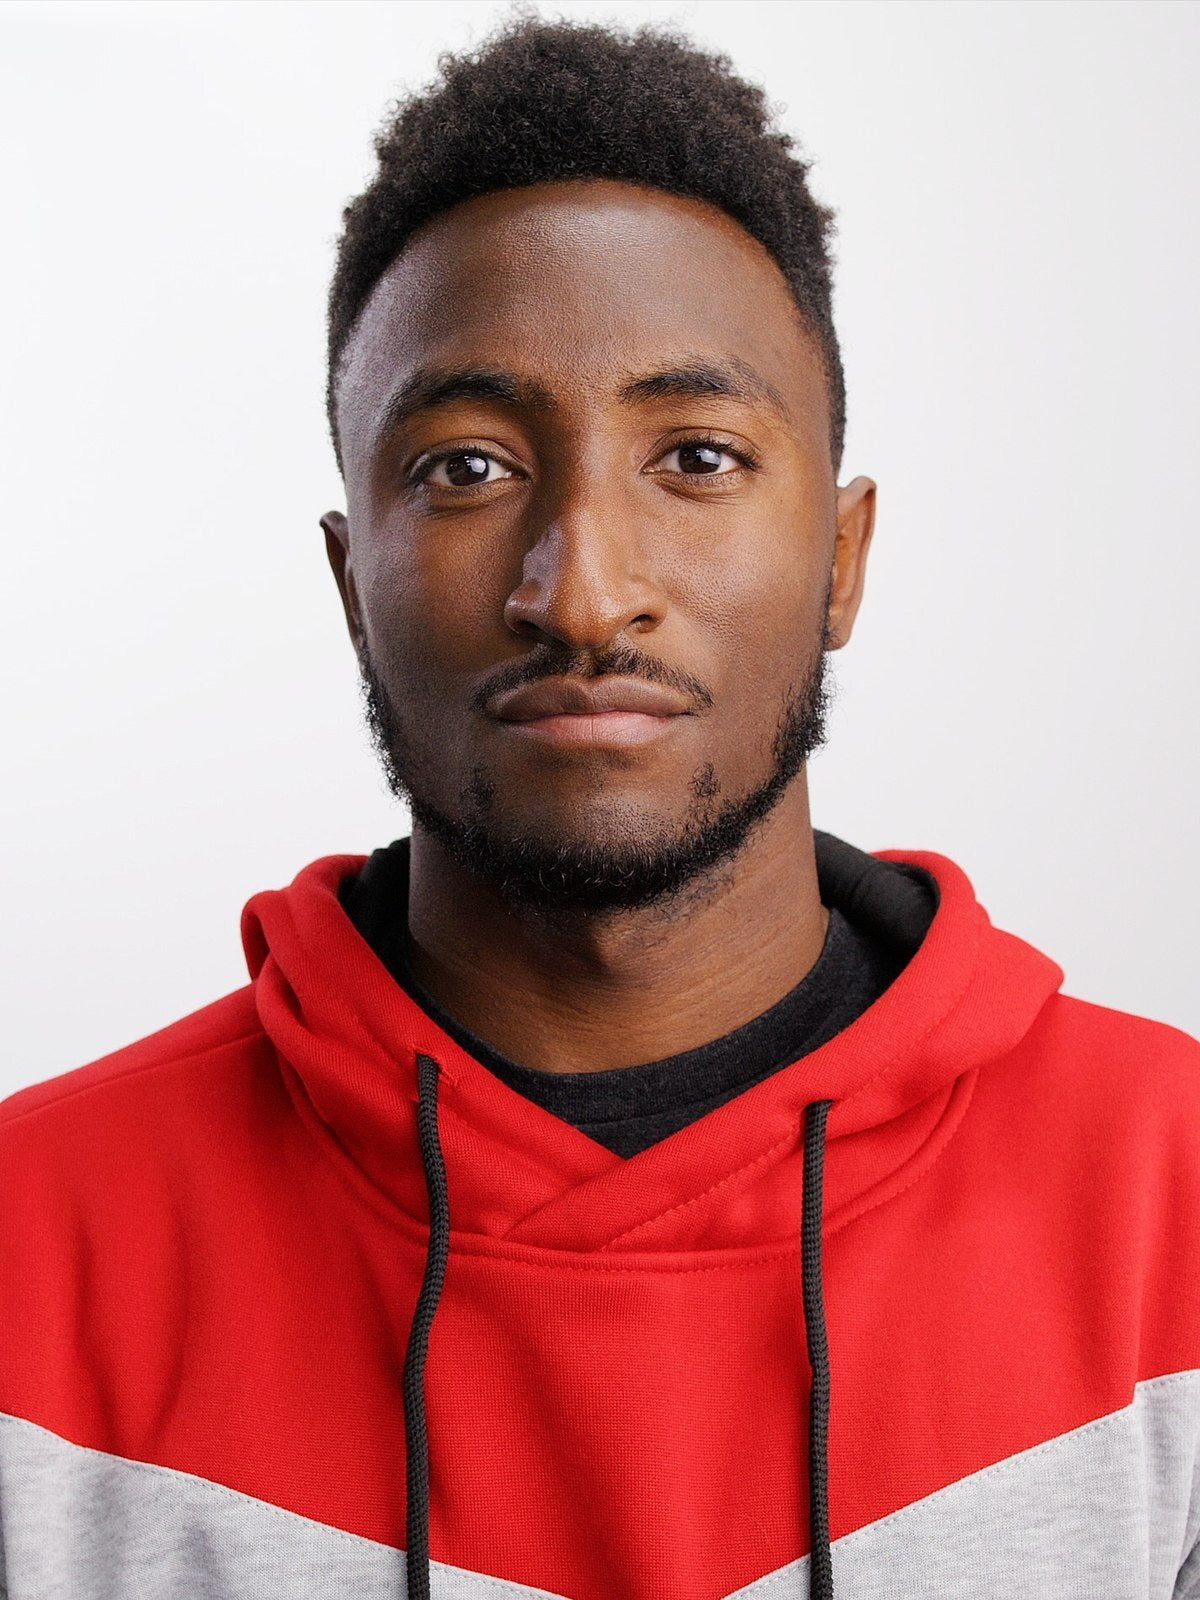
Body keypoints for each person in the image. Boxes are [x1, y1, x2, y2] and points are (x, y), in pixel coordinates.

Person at [2, 14, 1197, 1600]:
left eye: (695, 456)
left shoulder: (1174, 1206)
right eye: (466, 469)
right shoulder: (30, 1250)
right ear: (350, 584)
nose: (582, 593)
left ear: (843, 559)